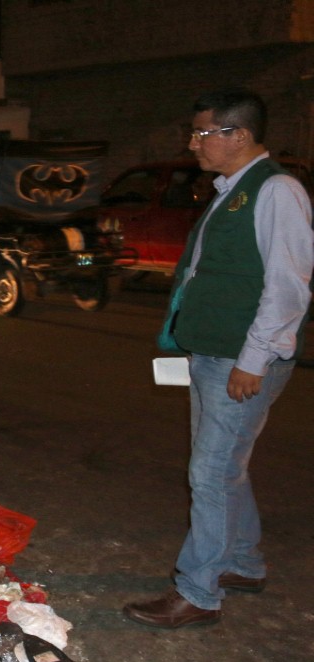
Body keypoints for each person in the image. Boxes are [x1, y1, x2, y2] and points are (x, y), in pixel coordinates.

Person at [124, 89, 314, 629]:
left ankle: (198, 592)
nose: (193, 143)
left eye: (203, 133)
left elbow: (289, 286)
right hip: (213, 354)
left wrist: (254, 359)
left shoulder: (276, 190)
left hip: (241, 360)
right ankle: (243, 563)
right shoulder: (232, 189)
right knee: (225, 468)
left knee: (210, 473)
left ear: (240, 135)